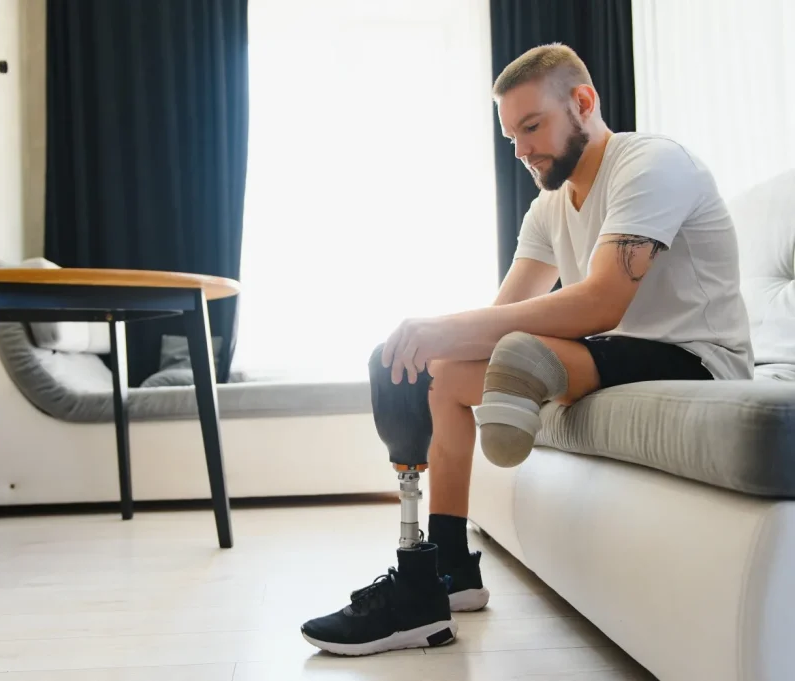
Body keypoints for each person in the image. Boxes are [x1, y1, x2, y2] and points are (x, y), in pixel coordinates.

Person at [300, 43, 753, 656]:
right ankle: (444, 572)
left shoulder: (651, 165)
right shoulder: (548, 207)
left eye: (532, 126)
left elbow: (600, 303)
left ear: (583, 102)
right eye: (511, 135)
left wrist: (448, 328)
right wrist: (428, 339)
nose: (521, 149)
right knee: (443, 374)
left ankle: (523, 381)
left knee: (507, 349)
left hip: (697, 360)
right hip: (610, 354)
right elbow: (501, 316)